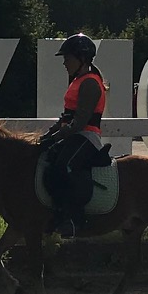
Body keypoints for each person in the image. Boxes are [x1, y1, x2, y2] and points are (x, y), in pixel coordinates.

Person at [41, 33, 110, 235]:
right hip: (74, 135)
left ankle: (76, 218)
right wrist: (48, 135)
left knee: (65, 166)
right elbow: (66, 117)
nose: (64, 63)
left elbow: (79, 123)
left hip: (86, 136)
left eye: (67, 58)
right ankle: (57, 213)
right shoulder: (78, 81)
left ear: (82, 58)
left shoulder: (89, 83)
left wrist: (55, 138)